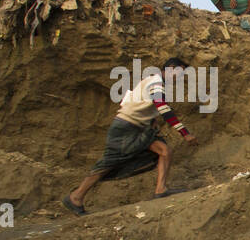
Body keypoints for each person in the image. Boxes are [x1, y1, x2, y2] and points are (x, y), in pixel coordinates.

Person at [62, 58, 198, 215]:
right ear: (171, 68)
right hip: (125, 128)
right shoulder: (155, 82)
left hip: (136, 128)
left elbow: (139, 103)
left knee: (164, 151)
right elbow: (163, 108)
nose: (180, 77)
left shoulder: (154, 82)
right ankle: (76, 197)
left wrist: (150, 121)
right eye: (180, 73)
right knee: (108, 163)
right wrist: (185, 133)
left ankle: (161, 189)